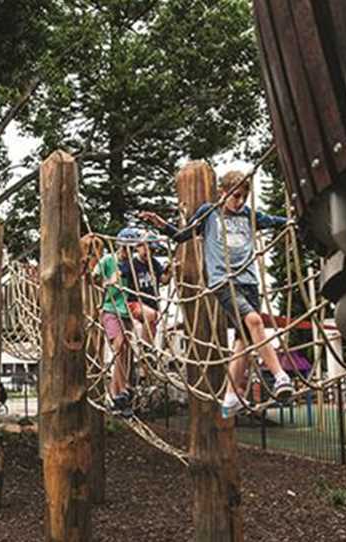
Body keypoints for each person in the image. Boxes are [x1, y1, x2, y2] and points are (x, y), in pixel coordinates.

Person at [139, 170, 293, 418]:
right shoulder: (209, 212)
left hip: (249, 282)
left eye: (244, 196)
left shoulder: (249, 215)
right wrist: (161, 224)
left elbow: (274, 221)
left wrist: (291, 221)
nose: (239, 201)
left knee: (243, 342)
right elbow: (183, 235)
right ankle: (280, 377)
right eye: (235, 195)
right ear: (223, 192)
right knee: (254, 321)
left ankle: (230, 397)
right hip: (224, 282)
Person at [91, 227, 142, 416]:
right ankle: (117, 392)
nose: (130, 251)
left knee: (126, 352)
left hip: (127, 312)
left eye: (133, 248)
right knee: (119, 346)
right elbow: (92, 278)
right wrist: (108, 282)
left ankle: (121, 394)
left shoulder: (134, 264)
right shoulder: (108, 260)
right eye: (128, 247)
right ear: (121, 245)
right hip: (111, 309)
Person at [117, 232, 171, 344]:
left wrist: (170, 271)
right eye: (146, 248)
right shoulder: (132, 263)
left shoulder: (154, 263)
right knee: (150, 315)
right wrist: (112, 279)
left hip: (152, 304)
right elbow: (119, 272)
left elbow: (163, 280)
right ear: (138, 247)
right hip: (135, 303)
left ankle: (147, 352)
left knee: (152, 324)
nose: (149, 252)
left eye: (152, 250)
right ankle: (145, 346)